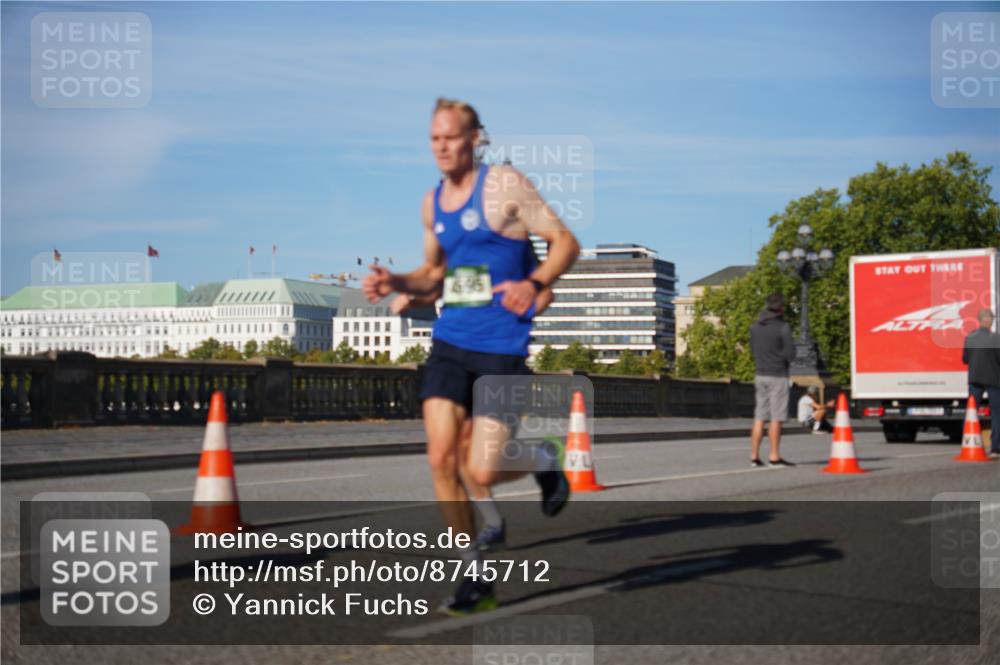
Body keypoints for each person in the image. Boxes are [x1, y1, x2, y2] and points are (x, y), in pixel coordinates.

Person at [363, 98, 580, 614]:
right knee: (441, 457)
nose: (442, 147)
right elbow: (432, 275)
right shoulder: (431, 202)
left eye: (452, 137)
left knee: (480, 470)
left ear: (475, 137)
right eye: (434, 138)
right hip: (450, 343)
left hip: (500, 349)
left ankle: (543, 459)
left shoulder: (505, 185)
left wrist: (533, 283)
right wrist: (398, 280)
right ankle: (474, 572)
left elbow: (565, 242)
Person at [390, 276, 555, 551]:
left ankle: (543, 460)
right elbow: (440, 295)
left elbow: (544, 293)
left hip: (496, 364)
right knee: (457, 454)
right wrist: (411, 302)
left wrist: (515, 320)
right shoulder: (454, 262)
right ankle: (492, 526)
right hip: (455, 366)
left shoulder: (498, 255)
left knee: (483, 462)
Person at [749, 293, 796, 467]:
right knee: (776, 417)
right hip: (778, 374)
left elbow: (752, 348)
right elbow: (790, 354)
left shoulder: (755, 327)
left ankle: (754, 456)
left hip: (760, 373)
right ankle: (774, 456)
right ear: (781, 308)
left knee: (759, 417)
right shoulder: (783, 327)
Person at [962, 308, 1000, 456]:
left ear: (979, 320)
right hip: (993, 380)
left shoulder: (970, 337)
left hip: (974, 379)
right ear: (989, 320)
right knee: (997, 414)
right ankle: (995, 448)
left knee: (972, 412)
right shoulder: (995, 338)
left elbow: (965, 359)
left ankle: (970, 443)